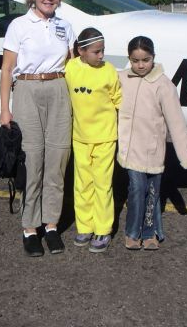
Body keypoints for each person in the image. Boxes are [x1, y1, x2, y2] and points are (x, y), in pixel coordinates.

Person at [0, 0, 75, 257]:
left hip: (58, 88)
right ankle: (30, 228)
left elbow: (74, 65)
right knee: (32, 161)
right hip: (28, 90)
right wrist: (4, 108)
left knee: (57, 160)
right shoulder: (19, 25)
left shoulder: (65, 26)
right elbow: (7, 69)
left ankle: (51, 225)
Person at [118, 36, 187, 251]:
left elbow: (176, 122)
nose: (141, 65)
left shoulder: (164, 85)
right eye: (135, 61)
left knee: (152, 192)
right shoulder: (121, 78)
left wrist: (184, 157)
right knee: (136, 189)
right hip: (130, 150)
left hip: (153, 151)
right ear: (129, 59)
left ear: (154, 57)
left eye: (146, 60)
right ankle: (132, 233)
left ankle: (150, 232)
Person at [64, 27, 122, 253]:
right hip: (80, 138)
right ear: (81, 51)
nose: (101, 56)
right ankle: (85, 226)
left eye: (103, 51)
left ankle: (103, 229)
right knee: (82, 184)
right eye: (96, 52)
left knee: (102, 184)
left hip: (105, 138)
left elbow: (118, 100)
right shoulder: (70, 68)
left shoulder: (109, 71)